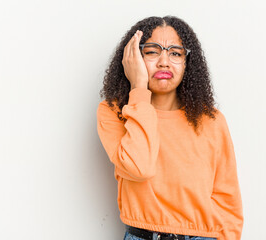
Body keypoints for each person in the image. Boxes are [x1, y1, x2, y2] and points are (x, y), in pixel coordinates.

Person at [97, 16, 243, 240]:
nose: (164, 61)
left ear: (187, 62)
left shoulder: (211, 120)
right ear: (133, 57)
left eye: (175, 53)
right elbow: (140, 167)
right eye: (152, 51)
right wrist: (138, 87)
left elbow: (228, 200)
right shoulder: (115, 112)